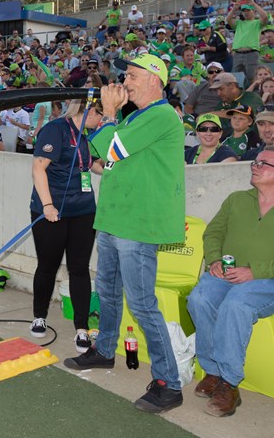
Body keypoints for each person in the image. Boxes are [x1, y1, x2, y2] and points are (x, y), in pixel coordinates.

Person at [64, 54, 186, 414]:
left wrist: (108, 115)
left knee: (142, 304)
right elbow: (106, 157)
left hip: (138, 224)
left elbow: (111, 149)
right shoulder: (137, 117)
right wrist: (111, 122)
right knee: (108, 291)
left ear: (154, 81)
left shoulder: (162, 115)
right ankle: (104, 350)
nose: (124, 81)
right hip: (115, 219)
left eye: (132, 75)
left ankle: (169, 383)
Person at [186, 149, 274, 416]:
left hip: (267, 281)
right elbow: (213, 232)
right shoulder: (237, 199)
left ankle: (230, 382)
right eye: (255, 161)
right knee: (199, 299)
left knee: (236, 303)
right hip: (226, 275)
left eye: (263, 163)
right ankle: (212, 371)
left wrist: (255, 271)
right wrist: (213, 259)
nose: (255, 166)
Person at [29, 98, 104, 352]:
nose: (101, 121)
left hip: (83, 211)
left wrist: (116, 167)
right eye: (100, 115)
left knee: (79, 269)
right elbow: (38, 168)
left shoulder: (88, 135)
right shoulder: (56, 129)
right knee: (48, 266)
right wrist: (48, 205)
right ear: (89, 111)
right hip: (52, 211)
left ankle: (82, 328)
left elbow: (94, 164)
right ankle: (39, 316)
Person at [226, 0, 269, 87]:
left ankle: (255, 94)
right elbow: (228, 19)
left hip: (251, 54)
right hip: (238, 54)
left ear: (254, 11)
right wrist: (234, 8)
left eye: (248, 10)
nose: (245, 12)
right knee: (236, 79)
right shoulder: (239, 23)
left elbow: (265, 17)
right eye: (243, 11)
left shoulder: (257, 23)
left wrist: (254, 4)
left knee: (253, 78)